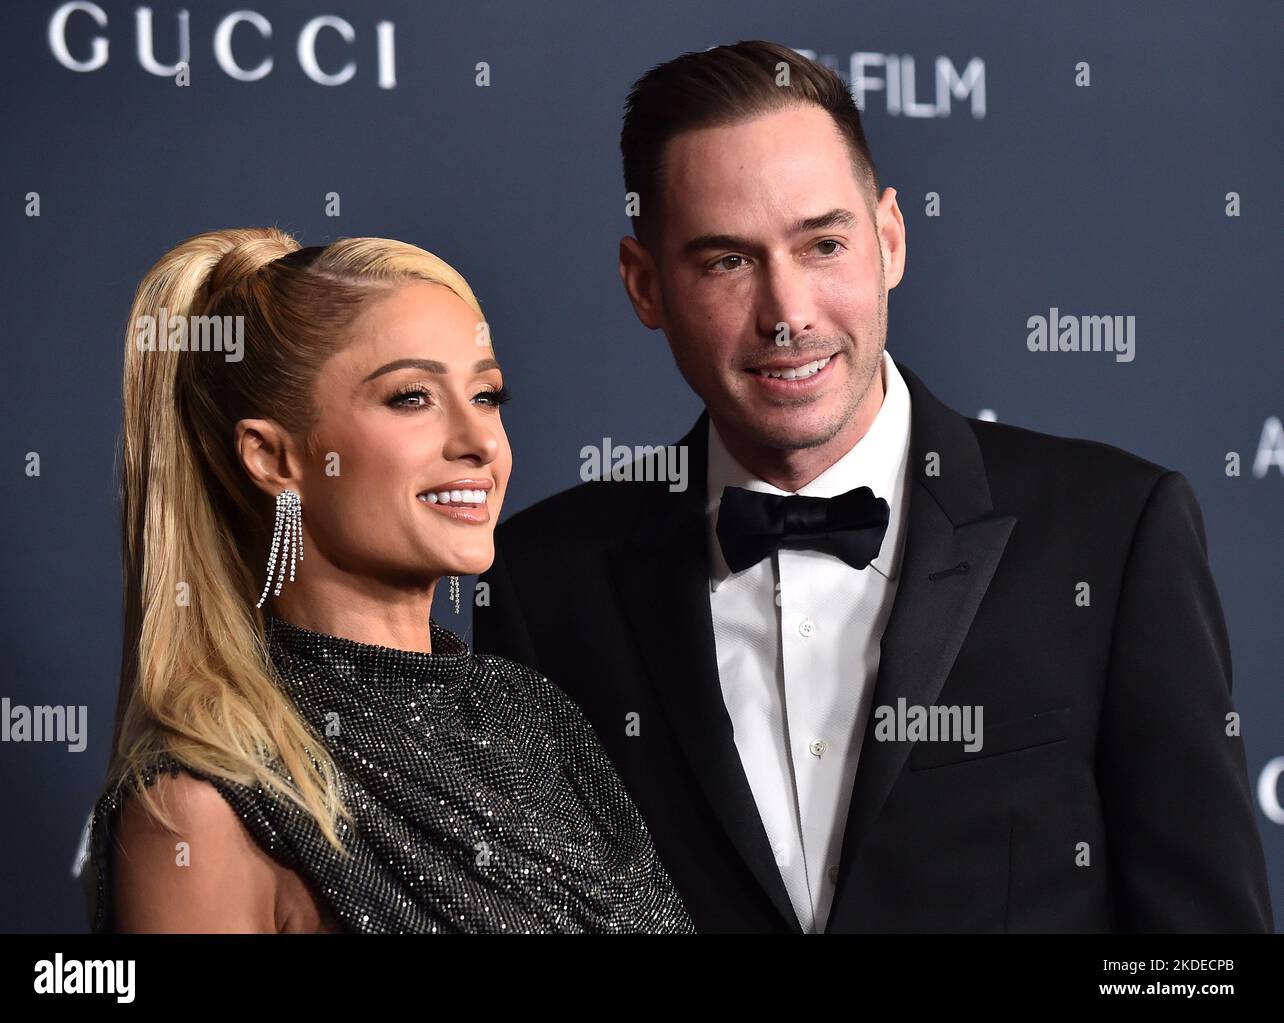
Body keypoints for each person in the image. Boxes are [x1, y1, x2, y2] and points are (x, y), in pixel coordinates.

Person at [473, 40, 1274, 933]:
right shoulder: (547, 584)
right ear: (645, 283)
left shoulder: (1112, 534)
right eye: (727, 262)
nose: (789, 314)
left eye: (822, 244)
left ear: (889, 238)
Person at [77, 228, 694, 934]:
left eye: (488, 395)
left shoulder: (537, 718)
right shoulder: (201, 802)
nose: (481, 441)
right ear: (271, 456)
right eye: (411, 397)